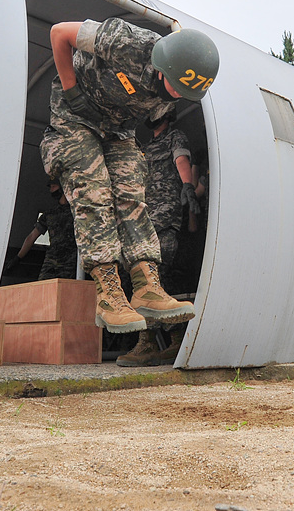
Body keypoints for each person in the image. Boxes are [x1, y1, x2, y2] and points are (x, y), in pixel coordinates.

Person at [39, 18, 219, 334]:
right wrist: (71, 91)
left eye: (185, 91)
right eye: (175, 83)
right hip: (75, 118)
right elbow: (59, 33)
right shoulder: (127, 42)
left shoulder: (173, 93)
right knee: (93, 190)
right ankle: (109, 296)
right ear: (164, 64)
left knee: (132, 192)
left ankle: (147, 286)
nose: (177, 93)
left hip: (116, 127)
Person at [118, 112, 199, 366]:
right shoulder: (146, 146)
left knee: (148, 275)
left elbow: (181, 160)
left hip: (164, 217)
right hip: (146, 217)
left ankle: (148, 342)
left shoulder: (175, 136)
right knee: (158, 280)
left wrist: (187, 186)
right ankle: (174, 340)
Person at [7, 177, 78, 280]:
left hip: (71, 261)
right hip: (52, 260)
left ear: (63, 187)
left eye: (53, 186)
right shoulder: (49, 214)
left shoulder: (78, 213)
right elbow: (32, 237)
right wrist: (18, 258)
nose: (51, 190)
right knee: (43, 288)